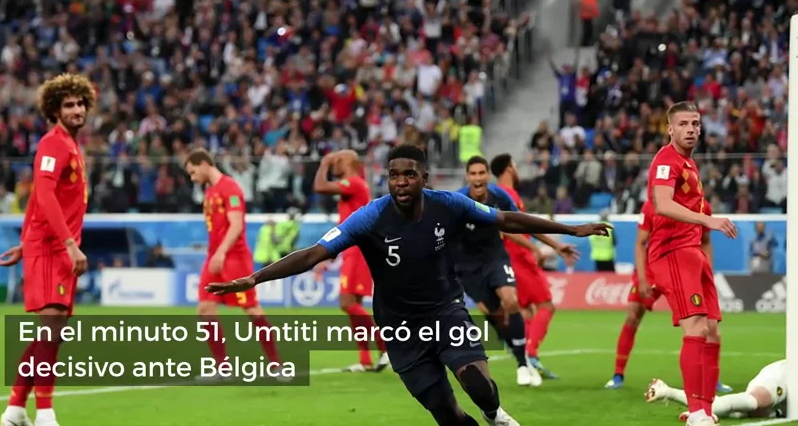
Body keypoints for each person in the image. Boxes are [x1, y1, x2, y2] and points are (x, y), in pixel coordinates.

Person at [206, 144, 611, 426]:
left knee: (479, 385)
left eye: (409, 175)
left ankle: (495, 416)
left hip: (445, 310)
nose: (400, 182)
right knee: (446, 414)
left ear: (424, 178)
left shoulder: (448, 204)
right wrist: (256, 276)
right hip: (399, 326)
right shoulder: (369, 217)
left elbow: (505, 219)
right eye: (394, 175)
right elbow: (314, 253)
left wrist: (569, 229)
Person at [0, 74, 94, 426]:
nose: (77, 109)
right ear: (54, 110)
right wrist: (66, 244)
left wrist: (25, 243)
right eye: (69, 104)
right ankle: (45, 414)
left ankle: (15, 409)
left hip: (53, 246)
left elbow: (40, 201)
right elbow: (45, 194)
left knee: (51, 331)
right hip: (55, 248)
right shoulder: (54, 144)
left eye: (80, 103)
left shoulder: (69, 145)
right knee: (51, 328)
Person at [647, 102, 738, 426]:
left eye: (696, 124)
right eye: (684, 124)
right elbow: (662, 203)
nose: (691, 129)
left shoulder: (689, 163)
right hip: (672, 252)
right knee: (696, 327)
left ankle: (706, 409)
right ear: (670, 129)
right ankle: (697, 412)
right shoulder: (666, 160)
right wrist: (707, 221)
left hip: (692, 252)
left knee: (713, 332)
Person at [605, 200, 733, 394]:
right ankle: (618, 374)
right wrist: (642, 279)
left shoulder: (701, 205)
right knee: (633, 315)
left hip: (685, 268)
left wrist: (706, 273)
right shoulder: (653, 205)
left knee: (706, 325)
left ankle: (711, 380)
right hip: (653, 268)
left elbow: (705, 242)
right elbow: (640, 243)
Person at [184, 149, 282, 378]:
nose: (192, 177)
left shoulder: (230, 188)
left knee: (251, 309)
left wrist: (220, 252)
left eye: (192, 171)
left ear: (204, 164)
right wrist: (215, 254)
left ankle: (277, 365)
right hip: (215, 257)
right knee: (205, 308)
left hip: (234, 258)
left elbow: (236, 225)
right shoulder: (209, 192)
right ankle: (222, 367)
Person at [490, 153, 579, 381]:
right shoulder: (506, 195)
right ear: (509, 169)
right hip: (518, 258)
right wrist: (535, 249)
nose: (518, 169)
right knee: (546, 305)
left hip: (513, 257)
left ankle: (525, 358)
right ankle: (530, 354)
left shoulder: (506, 195)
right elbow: (507, 229)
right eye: (516, 165)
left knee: (526, 311)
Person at [454, 156, 537, 387]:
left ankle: (522, 364)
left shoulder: (500, 197)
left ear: (488, 175)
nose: (478, 178)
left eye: (482, 173)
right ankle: (519, 352)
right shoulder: (458, 201)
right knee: (496, 316)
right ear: (467, 176)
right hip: (467, 267)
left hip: (495, 257)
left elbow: (521, 222)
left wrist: (549, 245)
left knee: (511, 300)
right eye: (473, 173)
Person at [313, 149, 389, 372]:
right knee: (352, 305)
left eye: (336, 161)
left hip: (357, 250)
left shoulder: (354, 182)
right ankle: (365, 359)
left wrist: (324, 163)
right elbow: (344, 224)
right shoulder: (355, 187)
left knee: (346, 303)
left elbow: (319, 187)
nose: (333, 165)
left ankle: (386, 348)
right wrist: (330, 254)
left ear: (347, 163)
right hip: (352, 249)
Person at [645, 338, 798, 421]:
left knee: (744, 414)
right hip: (786, 377)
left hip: (794, 403)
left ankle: (667, 391)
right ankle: (700, 414)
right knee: (758, 400)